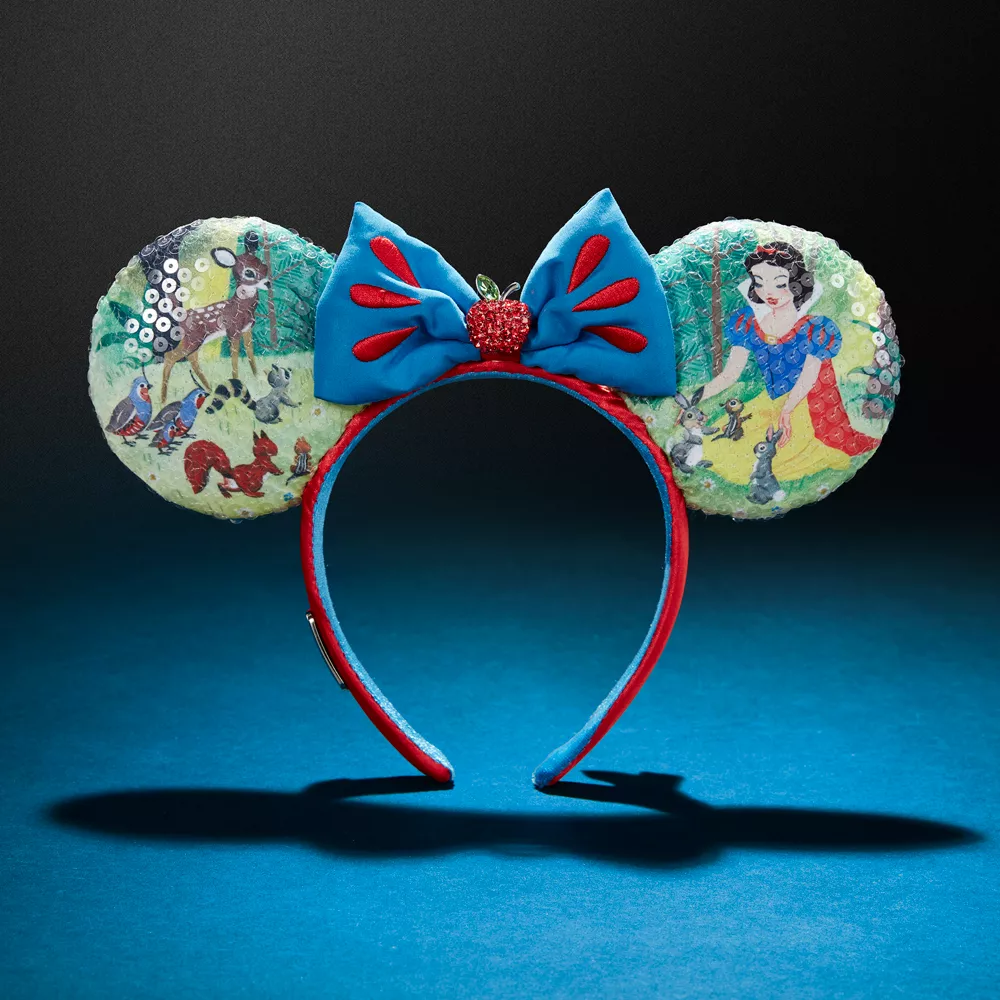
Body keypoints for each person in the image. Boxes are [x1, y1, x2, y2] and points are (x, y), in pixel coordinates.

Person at [698, 242, 879, 483]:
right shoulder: (748, 322)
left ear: (796, 283)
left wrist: (787, 411)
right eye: (759, 282)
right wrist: (695, 399)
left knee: (764, 461)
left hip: (805, 406)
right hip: (771, 403)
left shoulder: (814, 328)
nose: (768, 292)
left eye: (780, 283)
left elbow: (808, 377)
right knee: (718, 449)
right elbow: (730, 374)